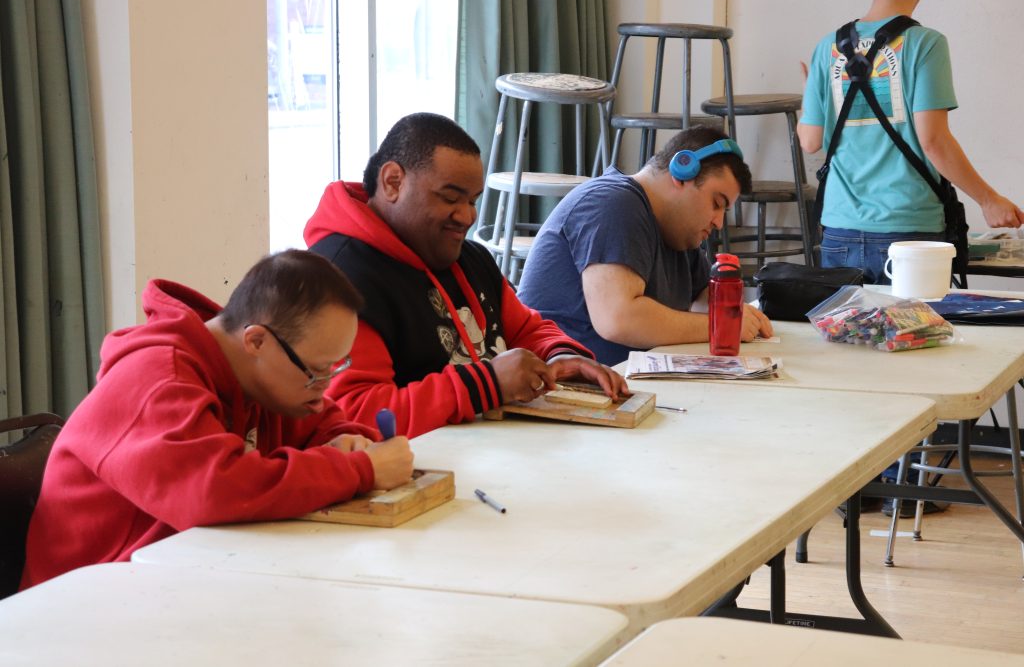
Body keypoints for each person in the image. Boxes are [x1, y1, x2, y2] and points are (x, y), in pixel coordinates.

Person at [21, 250, 414, 589]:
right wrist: (359, 470)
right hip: (84, 612)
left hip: (177, 583)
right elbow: (212, 491)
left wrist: (348, 440)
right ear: (256, 340)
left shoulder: (262, 378)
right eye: (316, 371)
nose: (324, 387)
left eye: (335, 368)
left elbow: (323, 422)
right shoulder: (158, 378)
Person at [305, 112, 628, 437]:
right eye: (450, 198)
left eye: (472, 200)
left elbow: (529, 330)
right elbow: (357, 416)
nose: (467, 216)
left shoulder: (466, 256)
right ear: (393, 182)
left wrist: (562, 356)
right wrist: (486, 384)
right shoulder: (339, 279)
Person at [798, 0, 1024, 284]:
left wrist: (810, 98)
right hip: (909, 230)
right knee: (917, 331)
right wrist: (988, 199)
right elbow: (933, 141)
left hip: (840, 233)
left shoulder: (828, 47)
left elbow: (810, 141)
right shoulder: (926, 44)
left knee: (847, 330)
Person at [516, 125, 773, 366]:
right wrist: (722, 326)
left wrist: (736, 314)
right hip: (562, 385)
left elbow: (706, 301)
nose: (718, 222)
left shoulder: (678, 234)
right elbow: (618, 319)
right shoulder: (613, 204)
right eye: (716, 203)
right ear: (682, 172)